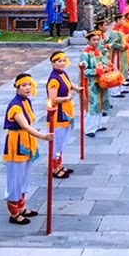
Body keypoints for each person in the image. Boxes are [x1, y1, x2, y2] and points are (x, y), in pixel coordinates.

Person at [3, 74, 53, 225]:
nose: (27, 88)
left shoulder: (26, 101)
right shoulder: (16, 105)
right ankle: (13, 212)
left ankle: (21, 207)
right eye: (23, 85)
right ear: (17, 87)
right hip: (16, 144)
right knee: (16, 179)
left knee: (24, 177)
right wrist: (43, 136)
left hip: (26, 142)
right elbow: (25, 125)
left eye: (29, 85)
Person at [47, 51, 83, 179]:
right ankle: (54, 168)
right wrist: (66, 99)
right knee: (57, 142)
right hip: (58, 115)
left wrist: (76, 88)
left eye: (63, 61)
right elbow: (52, 99)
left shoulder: (62, 73)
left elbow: (69, 82)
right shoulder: (53, 79)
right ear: (53, 63)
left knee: (63, 141)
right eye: (59, 61)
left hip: (66, 112)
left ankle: (59, 164)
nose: (62, 63)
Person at [80, 30, 111, 137]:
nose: (96, 42)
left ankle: (97, 125)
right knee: (92, 104)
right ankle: (89, 128)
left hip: (101, 80)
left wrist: (105, 67)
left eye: (98, 40)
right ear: (88, 41)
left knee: (100, 102)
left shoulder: (98, 51)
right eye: (94, 40)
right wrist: (95, 71)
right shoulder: (85, 53)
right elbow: (83, 70)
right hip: (91, 82)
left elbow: (103, 62)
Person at [106, 14, 129, 97]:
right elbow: (113, 44)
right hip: (116, 54)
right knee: (116, 70)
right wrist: (123, 46)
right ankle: (114, 91)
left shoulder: (120, 29)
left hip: (122, 53)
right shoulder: (114, 31)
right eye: (122, 19)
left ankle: (120, 88)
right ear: (118, 20)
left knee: (122, 69)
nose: (124, 21)